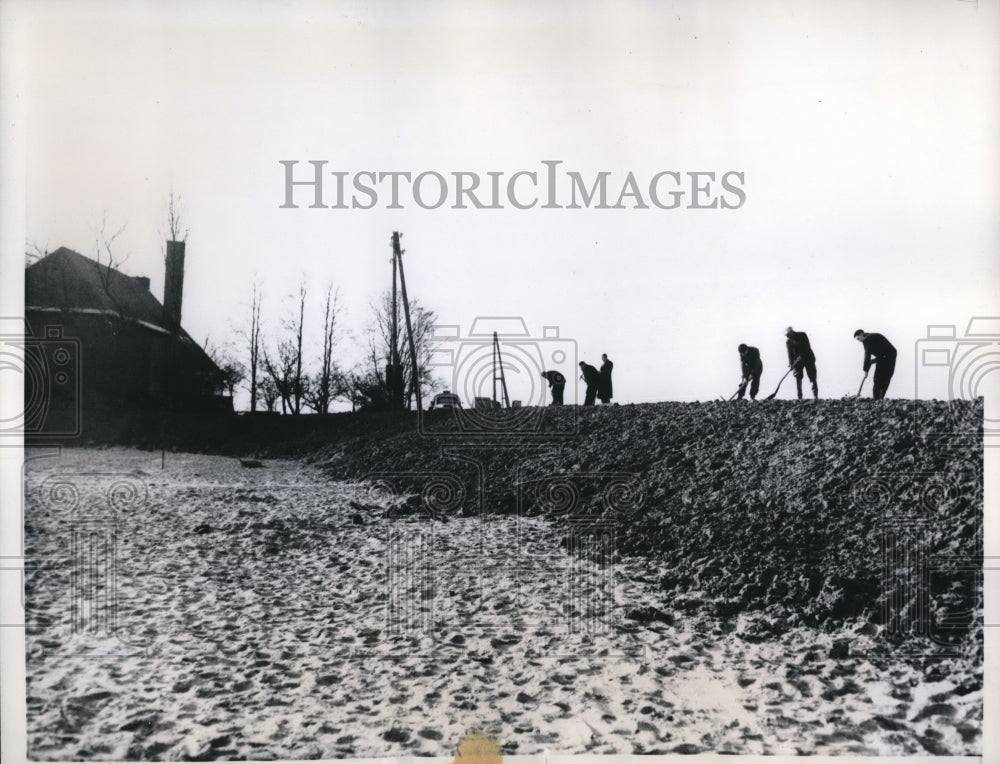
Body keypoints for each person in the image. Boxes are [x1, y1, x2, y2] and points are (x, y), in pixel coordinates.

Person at [854, 329, 897, 399]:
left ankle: (877, 399)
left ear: (861, 334)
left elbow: (867, 355)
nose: (859, 341)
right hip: (886, 355)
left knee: (879, 378)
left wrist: (866, 370)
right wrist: (871, 363)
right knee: (885, 377)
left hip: (888, 356)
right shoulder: (870, 337)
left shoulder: (867, 339)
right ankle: (879, 399)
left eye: (858, 338)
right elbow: (876, 354)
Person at [785, 326, 818, 399]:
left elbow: (807, 347)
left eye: (788, 335)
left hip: (808, 358)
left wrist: (801, 356)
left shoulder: (802, 335)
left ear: (792, 332)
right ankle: (799, 397)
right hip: (797, 362)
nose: (788, 337)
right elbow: (789, 353)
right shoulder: (788, 342)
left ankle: (815, 396)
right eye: (787, 336)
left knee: (812, 377)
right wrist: (791, 363)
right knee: (798, 377)